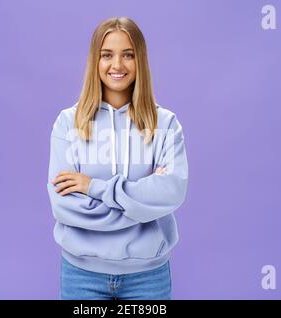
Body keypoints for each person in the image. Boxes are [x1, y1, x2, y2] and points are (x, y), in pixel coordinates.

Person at [47, 17, 188, 300]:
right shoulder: (68, 123)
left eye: (128, 55)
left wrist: (93, 187)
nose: (117, 65)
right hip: (82, 276)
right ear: (95, 61)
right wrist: (141, 206)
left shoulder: (165, 124)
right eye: (107, 55)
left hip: (148, 278)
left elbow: (172, 192)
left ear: (141, 61)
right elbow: (64, 206)